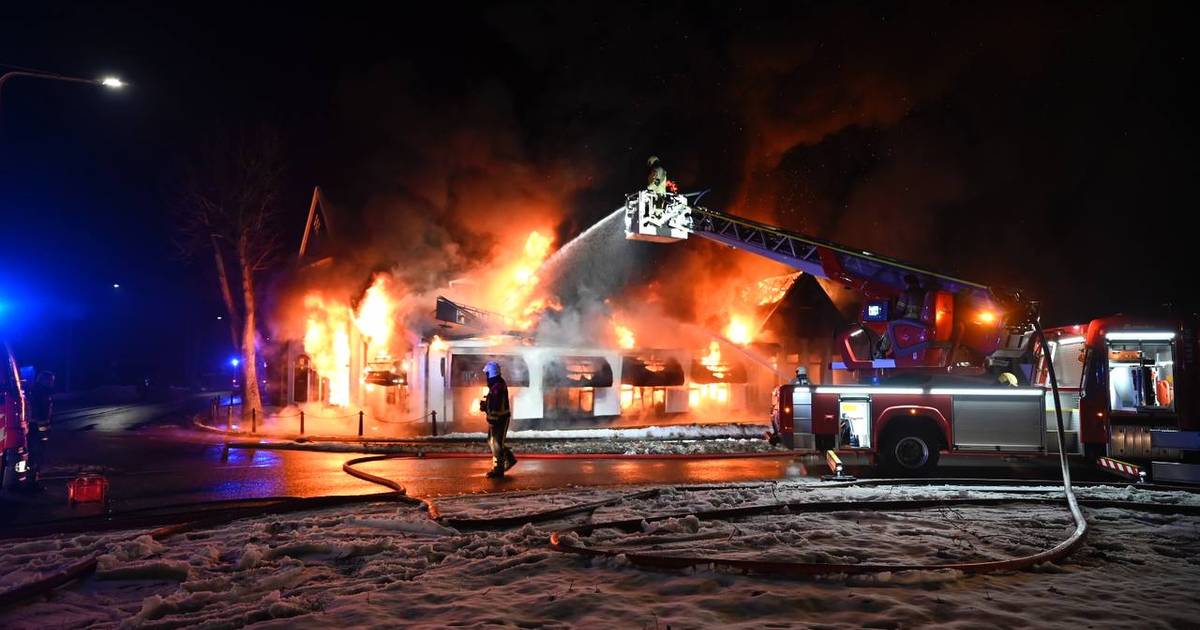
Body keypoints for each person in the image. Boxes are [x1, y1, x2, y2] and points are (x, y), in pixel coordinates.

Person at [479, 361, 517, 478]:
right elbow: (494, 403)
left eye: (487, 373)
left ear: (490, 373)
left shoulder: (497, 386)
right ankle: (509, 459)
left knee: (496, 443)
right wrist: (486, 406)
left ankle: (498, 469)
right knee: (493, 442)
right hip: (496, 418)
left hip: (499, 419)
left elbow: (497, 405)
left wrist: (492, 418)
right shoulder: (496, 384)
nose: (486, 376)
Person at [26, 371, 55, 486]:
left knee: (35, 454)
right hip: (37, 430)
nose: (52, 383)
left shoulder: (38, 390)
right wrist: (44, 434)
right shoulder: (41, 393)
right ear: (44, 380)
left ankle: (33, 478)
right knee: (36, 455)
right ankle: (32, 480)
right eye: (50, 380)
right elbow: (40, 413)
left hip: (36, 428)